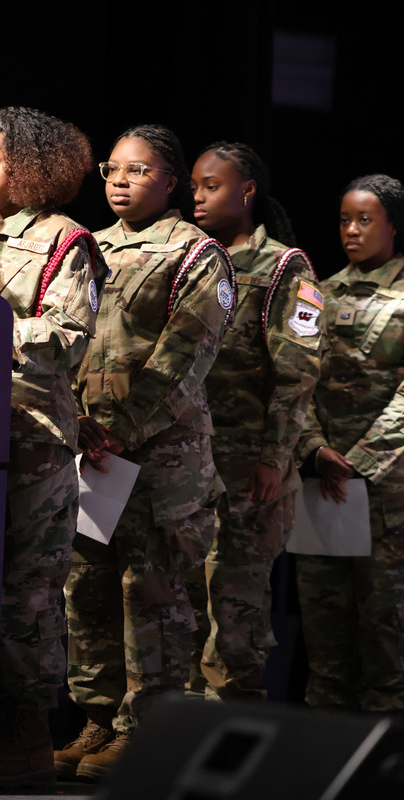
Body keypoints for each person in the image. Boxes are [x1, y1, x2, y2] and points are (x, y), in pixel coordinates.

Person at [53, 124, 236, 781]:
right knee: (87, 589)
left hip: (161, 456)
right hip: (91, 450)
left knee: (151, 592)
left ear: (171, 182)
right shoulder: (87, 248)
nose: (120, 181)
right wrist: (76, 422)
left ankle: (148, 730)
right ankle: (98, 719)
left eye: (137, 170)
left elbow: (185, 357)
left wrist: (124, 427)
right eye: (112, 169)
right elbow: (64, 342)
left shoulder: (196, 255)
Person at [0, 106, 107, 786]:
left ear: (33, 166)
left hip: (32, 436)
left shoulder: (68, 241)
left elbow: (68, 337)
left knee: (26, 591)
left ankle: (27, 732)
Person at [187, 141, 323, 700]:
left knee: (235, 606)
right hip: (190, 461)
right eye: (193, 185)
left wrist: (275, 457)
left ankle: (227, 739)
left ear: (246, 191)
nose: (197, 197)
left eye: (210, 186)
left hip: (250, 468)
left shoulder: (286, 267)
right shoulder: (190, 257)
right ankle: (175, 736)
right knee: (185, 603)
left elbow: (299, 372)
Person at [295, 173, 404, 712]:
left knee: (386, 628)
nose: (352, 230)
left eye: (365, 219)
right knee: (323, 628)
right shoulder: (318, 291)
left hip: (388, 492)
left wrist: (361, 460)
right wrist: (314, 448)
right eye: (344, 219)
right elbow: (297, 375)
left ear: (393, 225)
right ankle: (320, 756)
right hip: (323, 482)